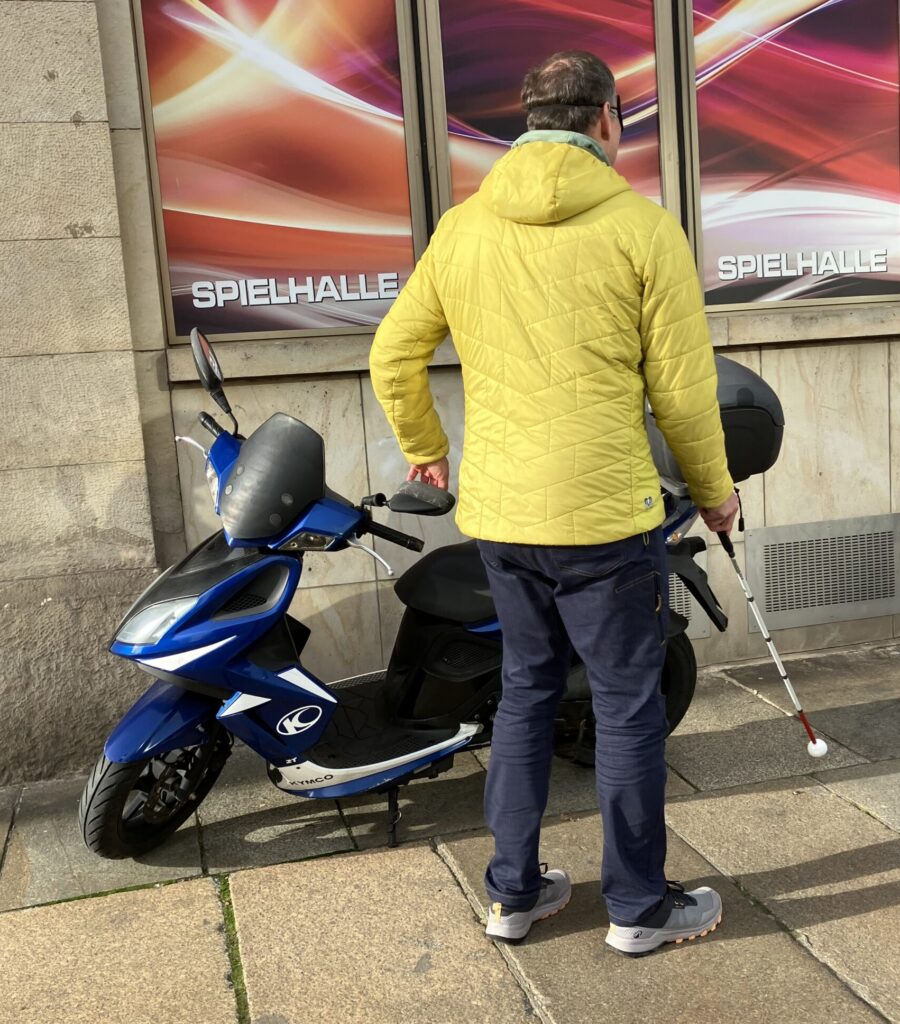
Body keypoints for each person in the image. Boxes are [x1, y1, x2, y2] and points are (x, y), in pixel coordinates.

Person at [369, 50, 738, 957]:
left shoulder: (464, 227)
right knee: (626, 706)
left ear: (527, 121)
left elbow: (393, 352)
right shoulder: (644, 228)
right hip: (605, 518)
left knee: (526, 696)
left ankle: (513, 894)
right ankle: (637, 907)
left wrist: (427, 449)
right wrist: (716, 493)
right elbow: (685, 394)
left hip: (503, 519)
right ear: (608, 119)